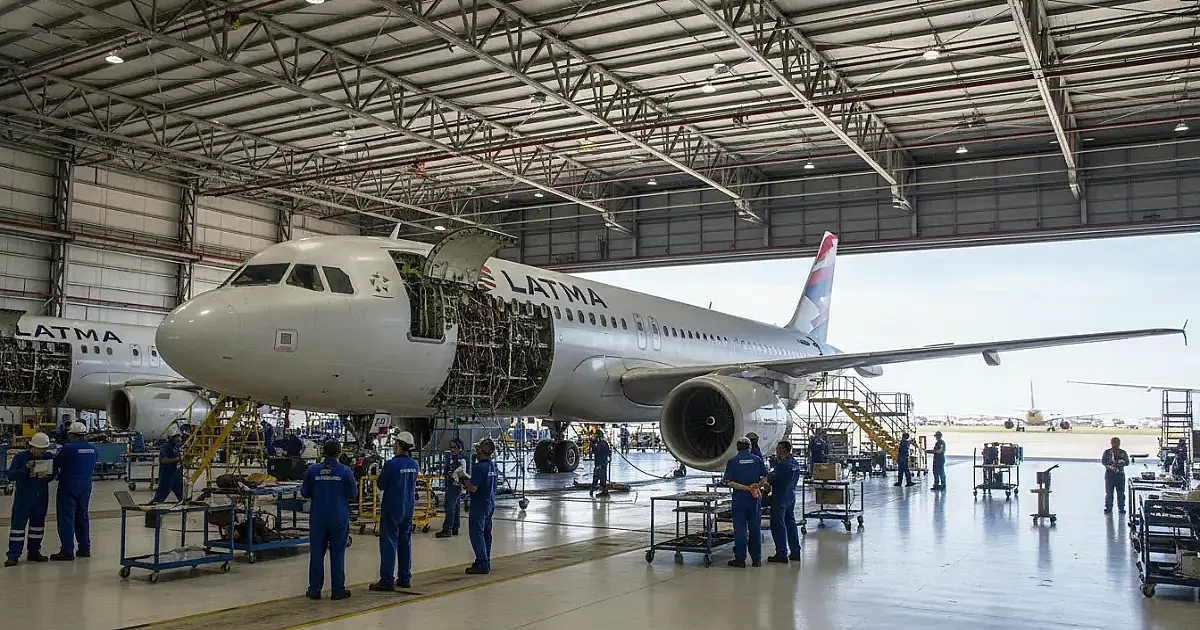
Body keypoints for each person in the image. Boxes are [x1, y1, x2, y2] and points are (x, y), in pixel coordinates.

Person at [300, 440, 357, 600]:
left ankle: (314, 591)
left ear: (323, 452)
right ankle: (338, 590)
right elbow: (353, 494)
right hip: (338, 517)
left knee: (317, 554)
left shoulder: (312, 470)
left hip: (318, 518)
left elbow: (304, 493)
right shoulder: (345, 472)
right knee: (338, 554)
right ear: (339, 453)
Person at [371, 432, 418, 592]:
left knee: (389, 542)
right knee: (405, 543)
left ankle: (387, 580)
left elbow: (381, 484)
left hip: (392, 508)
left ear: (398, 445)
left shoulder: (391, 464)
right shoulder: (414, 464)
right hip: (408, 508)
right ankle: (405, 578)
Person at [5, 433, 54, 567]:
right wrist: (25, 469)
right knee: (18, 527)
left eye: (44, 449)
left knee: (37, 527)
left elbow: (52, 476)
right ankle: (13, 555)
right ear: (31, 446)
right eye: (39, 449)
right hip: (23, 499)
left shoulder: (48, 457)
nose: (41, 452)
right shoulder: (20, 458)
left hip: (41, 498)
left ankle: (34, 551)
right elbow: (10, 475)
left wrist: (48, 473)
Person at [51, 422, 97, 561]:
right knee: (82, 516)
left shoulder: (68, 448)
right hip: (85, 486)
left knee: (66, 517)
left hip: (69, 486)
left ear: (71, 435)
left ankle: (67, 550)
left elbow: (56, 463)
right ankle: (84, 548)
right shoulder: (93, 449)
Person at [723, 436, 769, 568]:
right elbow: (764, 479)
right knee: (755, 528)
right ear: (749, 447)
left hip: (740, 498)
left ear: (737, 447)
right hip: (754, 498)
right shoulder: (757, 460)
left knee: (740, 529)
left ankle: (740, 559)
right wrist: (755, 487)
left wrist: (745, 488)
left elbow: (728, 482)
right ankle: (756, 559)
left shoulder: (732, 462)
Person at [461, 439, 498, 575]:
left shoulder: (479, 467)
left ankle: (482, 563)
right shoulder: (493, 466)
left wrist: (464, 480)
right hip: (490, 503)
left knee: (477, 534)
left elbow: (474, 487)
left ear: (482, 451)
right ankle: (485, 559)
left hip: (479, 504)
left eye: (478, 449)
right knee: (486, 533)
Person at [766, 440, 802, 564]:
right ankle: (795, 551)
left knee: (777, 525)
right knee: (790, 524)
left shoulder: (782, 465)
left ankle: (781, 553)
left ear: (784, 450)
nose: (777, 450)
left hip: (779, 497)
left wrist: (763, 479)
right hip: (790, 496)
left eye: (779, 448)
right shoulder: (795, 463)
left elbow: (772, 478)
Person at [435, 438, 465, 539]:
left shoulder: (460, 459)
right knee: (455, 506)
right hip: (451, 484)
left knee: (449, 507)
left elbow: (462, 473)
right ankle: (455, 527)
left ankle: (447, 529)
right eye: (450, 447)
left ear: (459, 448)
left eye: (454, 447)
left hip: (454, 485)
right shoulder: (451, 457)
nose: (452, 449)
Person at [151, 426, 184, 504]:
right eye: (176, 437)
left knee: (182, 496)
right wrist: (177, 459)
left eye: (179, 436)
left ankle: (184, 510)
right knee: (161, 495)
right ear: (171, 437)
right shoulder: (165, 447)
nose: (178, 439)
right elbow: (163, 460)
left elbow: (180, 460)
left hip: (176, 475)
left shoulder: (176, 447)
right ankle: (153, 511)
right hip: (167, 475)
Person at [1102, 437, 1131, 514]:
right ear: (1111, 443)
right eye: (1113, 443)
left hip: (1120, 475)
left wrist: (1121, 463)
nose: (1115, 444)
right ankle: (1108, 507)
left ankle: (1121, 508)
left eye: (1117, 443)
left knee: (1121, 493)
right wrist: (1110, 467)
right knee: (1109, 493)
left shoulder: (1123, 452)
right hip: (1109, 475)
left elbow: (1127, 462)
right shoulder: (1107, 452)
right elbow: (1104, 462)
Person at [590, 430, 612, 497]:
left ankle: (603, 492)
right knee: (602, 477)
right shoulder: (604, 443)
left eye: (595, 436)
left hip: (600, 463)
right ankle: (602, 491)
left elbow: (595, 451)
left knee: (598, 477)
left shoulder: (600, 444)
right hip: (603, 463)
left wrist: (592, 444)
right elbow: (608, 453)